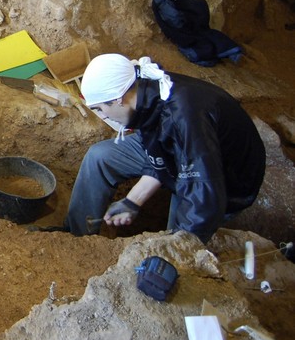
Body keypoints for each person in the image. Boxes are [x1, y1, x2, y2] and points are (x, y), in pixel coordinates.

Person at [63, 53, 266, 243]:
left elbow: (203, 198)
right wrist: (133, 201)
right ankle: (77, 237)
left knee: (177, 235)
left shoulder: (184, 116)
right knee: (100, 156)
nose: (103, 116)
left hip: (221, 176)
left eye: (100, 108)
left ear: (118, 98)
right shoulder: (146, 88)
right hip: (186, 150)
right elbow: (157, 148)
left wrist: (176, 251)